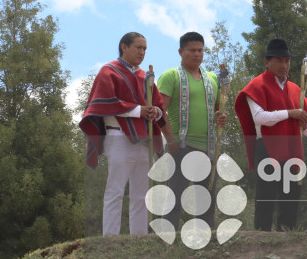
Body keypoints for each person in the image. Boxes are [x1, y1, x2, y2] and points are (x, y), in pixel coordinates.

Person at [79, 32, 167, 235]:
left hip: (144, 139)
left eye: (145, 48)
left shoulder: (146, 77)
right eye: (138, 47)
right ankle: (110, 239)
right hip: (118, 136)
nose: (142, 52)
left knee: (142, 194)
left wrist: (155, 111)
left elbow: (159, 105)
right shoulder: (108, 71)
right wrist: (139, 110)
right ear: (123, 47)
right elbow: (104, 102)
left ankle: (139, 238)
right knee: (115, 191)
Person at [235, 39, 307, 231]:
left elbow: (306, 131)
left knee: (291, 197)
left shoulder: (296, 90)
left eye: (286, 60)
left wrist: (303, 123)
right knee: (266, 197)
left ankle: (286, 241)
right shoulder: (257, 85)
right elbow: (260, 118)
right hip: (267, 148)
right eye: (278, 60)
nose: (283, 65)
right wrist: (291, 113)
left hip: (293, 149)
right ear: (267, 62)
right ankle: (261, 242)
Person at [157, 31, 227, 230]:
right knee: (175, 195)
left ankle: (206, 238)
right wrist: (170, 140)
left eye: (200, 50)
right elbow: (159, 111)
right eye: (192, 50)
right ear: (181, 51)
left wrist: (221, 117)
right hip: (182, 145)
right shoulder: (171, 76)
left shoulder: (212, 78)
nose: (197, 54)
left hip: (208, 147)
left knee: (206, 195)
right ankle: (168, 238)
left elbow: (217, 110)